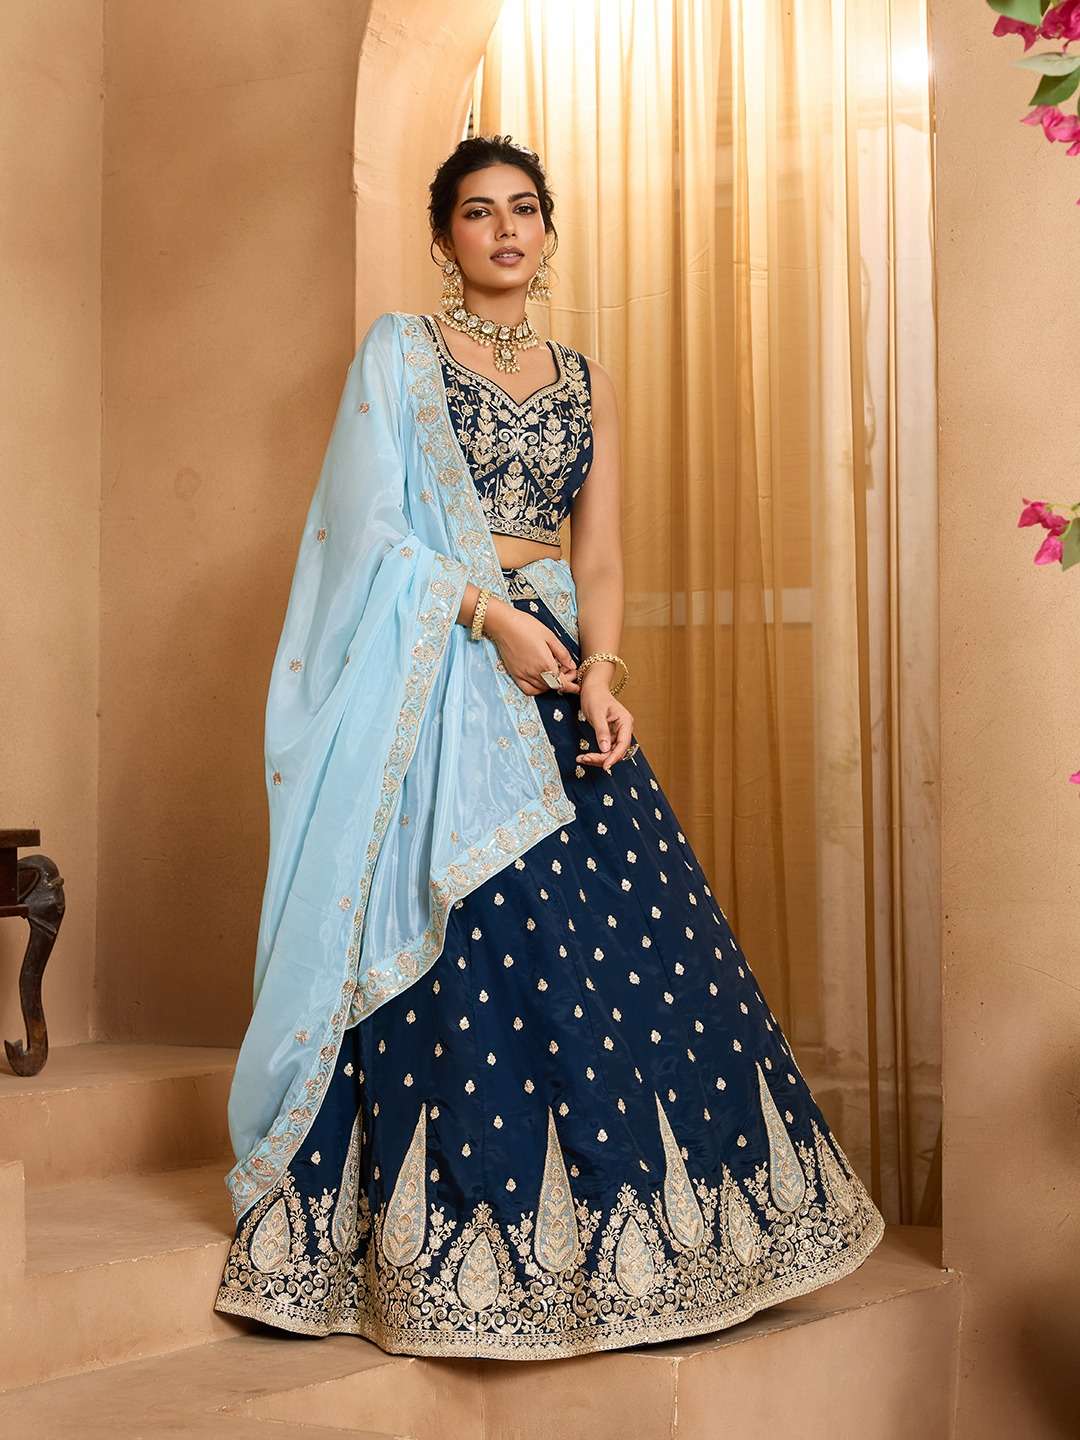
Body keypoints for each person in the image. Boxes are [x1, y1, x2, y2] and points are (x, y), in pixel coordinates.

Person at [212, 134, 885, 1360]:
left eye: (524, 209)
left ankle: (655, 1241)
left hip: (559, 669)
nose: (506, 230)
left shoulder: (586, 380)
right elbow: (365, 536)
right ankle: (453, 1246)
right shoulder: (402, 354)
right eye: (479, 213)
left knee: (627, 951)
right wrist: (486, 615)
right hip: (445, 669)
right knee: (478, 934)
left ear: (549, 229)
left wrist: (605, 674)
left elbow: (603, 554)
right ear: (443, 238)